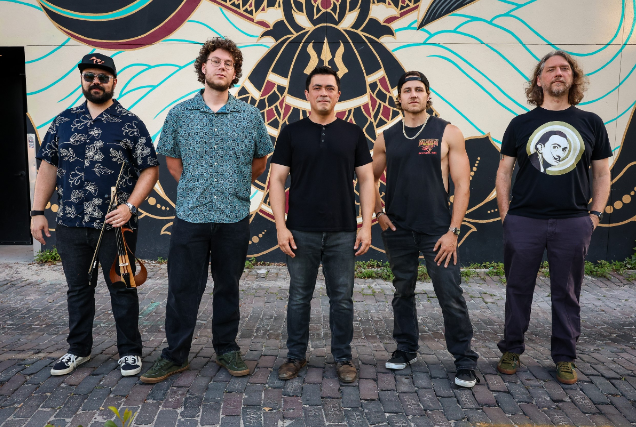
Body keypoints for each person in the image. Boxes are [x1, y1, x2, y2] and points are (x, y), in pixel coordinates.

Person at [140, 38, 274, 383]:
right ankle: (175, 355)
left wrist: (233, 184)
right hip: (190, 216)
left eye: (229, 64)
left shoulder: (249, 116)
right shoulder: (180, 114)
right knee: (182, 288)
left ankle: (226, 348)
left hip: (233, 216)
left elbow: (260, 161)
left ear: (235, 72)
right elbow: (172, 162)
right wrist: (196, 186)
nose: (221, 67)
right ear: (204, 67)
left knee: (228, 286)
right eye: (216, 61)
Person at [31, 53, 159, 377]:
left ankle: (129, 352)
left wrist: (130, 207)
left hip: (116, 225)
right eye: (89, 76)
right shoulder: (63, 122)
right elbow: (48, 166)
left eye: (103, 77)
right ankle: (78, 349)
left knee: (123, 288)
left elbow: (150, 169)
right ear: (82, 80)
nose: (96, 82)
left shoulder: (130, 123)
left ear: (114, 81)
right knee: (78, 290)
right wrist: (37, 211)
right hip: (71, 222)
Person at [495, 50, 612, 384]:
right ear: (539, 79)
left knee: (567, 292)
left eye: (565, 69)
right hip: (524, 220)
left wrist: (594, 215)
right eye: (551, 69)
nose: (558, 73)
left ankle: (564, 357)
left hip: (573, 221)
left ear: (573, 77)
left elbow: (602, 174)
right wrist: (506, 216)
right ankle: (512, 349)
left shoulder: (591, 122)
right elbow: (504, 171)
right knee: (518, 289)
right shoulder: (520, 124)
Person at [372, 71, 480, 388]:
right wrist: (379, 212)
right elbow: (368, 179)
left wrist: (453, 231)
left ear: (427, 95)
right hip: (398, 229)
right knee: (402, 291)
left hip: (438, 231)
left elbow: (462, 186)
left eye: (419, 89)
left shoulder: (448, 132)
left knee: (450, 294)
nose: (414, 94)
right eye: (407, 90)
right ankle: (406, 349)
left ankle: (464, 360)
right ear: (399, 97)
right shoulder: (386, 137)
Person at [268, 66, 374, 383]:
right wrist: (281, 226)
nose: (323, 93)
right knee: (299, 297)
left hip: (343, 230)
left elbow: (367, 180)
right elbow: (276, 180)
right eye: (317, 87)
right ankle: (295, 356)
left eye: (329, 88)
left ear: (338, 94)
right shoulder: (291, 133)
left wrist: (366, 226)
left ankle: (343, 358)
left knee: (342, 299)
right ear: (307, 94)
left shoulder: (354, 134)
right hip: (300, 231)